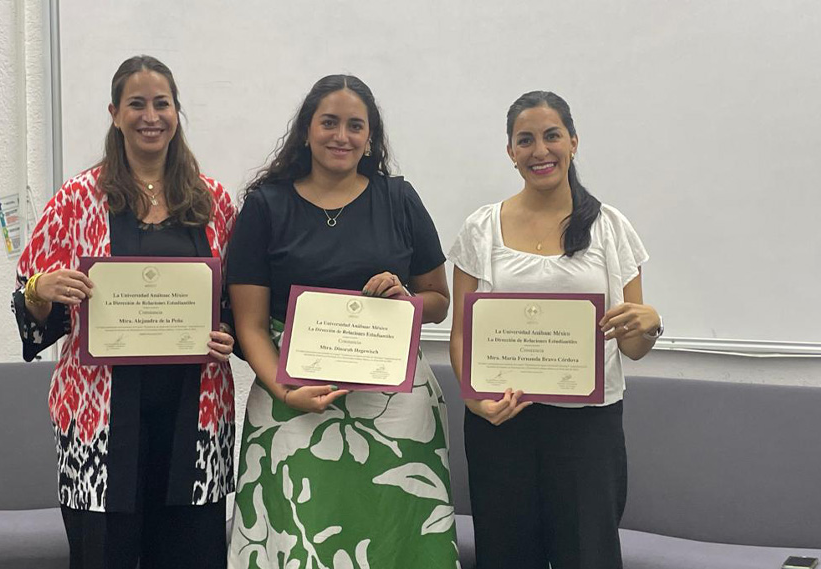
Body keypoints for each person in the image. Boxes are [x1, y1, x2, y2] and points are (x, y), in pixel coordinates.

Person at [12, 55, 237, 569]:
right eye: (136, 104)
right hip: (98, 420)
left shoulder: (214, 201)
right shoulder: (76, 199)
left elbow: (233, 303)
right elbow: (29, 300)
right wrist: (42, 288)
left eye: (162, 104)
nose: (150, 116)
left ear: (176, 112)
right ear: (115, 113)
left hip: (194, 419)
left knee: (190, 555)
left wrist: (227, 332)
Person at [226, 74, 459, 568]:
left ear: (370, 137)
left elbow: (439, 300)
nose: (342, 136)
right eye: (329, 123)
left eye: (356, 126)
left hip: (395, 412)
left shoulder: (400, 199)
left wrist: (406, 301)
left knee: (394, 541)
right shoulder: (266, 205)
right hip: (292, 406)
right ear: (306, 130)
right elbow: (250, 324)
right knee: (297, 541)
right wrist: (286, 391)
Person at [448, 91, 664, 569]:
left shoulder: (611, 227)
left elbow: (632, 346)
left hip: (587, 428)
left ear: (573, 142)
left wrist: (650, 325)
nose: (539, 150)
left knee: (588, 554)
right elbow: (463, 333)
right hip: (502, 421)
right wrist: (474, 400)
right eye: (525, 140)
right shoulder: (481, 228)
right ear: (510, 151)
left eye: (552, 136)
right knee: (505, 556)